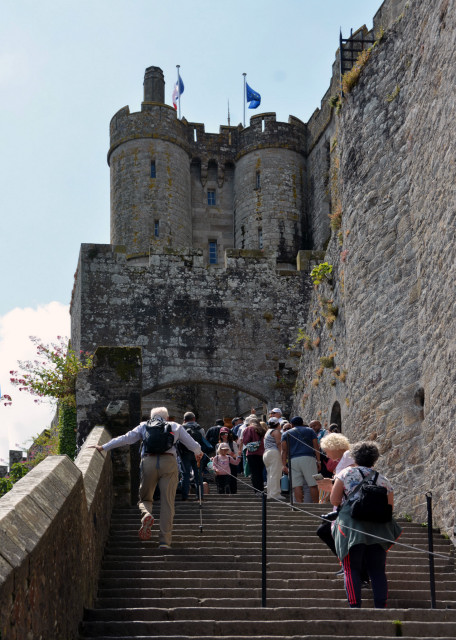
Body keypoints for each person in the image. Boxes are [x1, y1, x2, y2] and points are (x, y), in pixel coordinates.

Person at [91, 406, 202, 549]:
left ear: (151, 417)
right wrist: (198, 453)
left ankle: (146, 514)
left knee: (145, 498)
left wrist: (104, 447)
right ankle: (164, 541)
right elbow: (193, 445)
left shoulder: (144, 425)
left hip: (148, 462)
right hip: (169, 463)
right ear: (166, 418)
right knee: (167, 503)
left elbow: (126, 439)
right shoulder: (175, 426)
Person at [330, 440, 402, 609]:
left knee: (351, 569)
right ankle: (380, 608)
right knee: (377, 570)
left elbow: (334, 500)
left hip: (351, 527)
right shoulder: (384, 480)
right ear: (374, 459)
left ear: (354, 457)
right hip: (378, 530)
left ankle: (355, 608)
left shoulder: (346, 474)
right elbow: (389, 507)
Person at [314, 433, 355, 572]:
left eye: (326, 450)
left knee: (327, 531)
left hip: (347, 505)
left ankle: (351, 567)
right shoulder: (343, 459)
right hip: (342, 503)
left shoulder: (349, 456)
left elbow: (352, 479)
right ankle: (347, 565)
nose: (325, 453)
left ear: (333, 447)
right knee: (330, 532)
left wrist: (331, 483)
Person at [281, 416, 320, 503]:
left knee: (297, 485)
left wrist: (283, 465)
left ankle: (299, 506)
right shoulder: (310, 430)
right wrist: (319, 460)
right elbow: (316, 446)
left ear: (291, 424)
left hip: (293, 460)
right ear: (302, 423)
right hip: (308, 458)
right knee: (312, 484)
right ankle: (316, 505)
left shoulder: (286, 433)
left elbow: (284, 450)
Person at [178, 411, 205, 502]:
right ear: (194, 419)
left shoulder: (181, 428)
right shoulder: (200, 429)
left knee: (185, 475)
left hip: (184, 454)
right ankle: (200, 496)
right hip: (197, 454)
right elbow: (203, 441)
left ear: (184, 420)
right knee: (198, 475)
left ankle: (185, 496)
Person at [242, 417, 266, 495]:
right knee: (260, 472)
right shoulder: (262, 430)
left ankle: (257, 490)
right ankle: (261, 489)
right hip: (262, 453)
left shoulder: (249, 429)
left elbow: (245, 441)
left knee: (254, 472)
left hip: (252, 454)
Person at [263, 417, 284, 501]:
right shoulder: (276, 432)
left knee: (270, 474)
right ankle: (275, 494)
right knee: (276, 473)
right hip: (274, 452)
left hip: (266, 453)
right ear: (278, 424)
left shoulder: (267, 432)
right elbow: (279, 444)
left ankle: (270, 493)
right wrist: (282, 455)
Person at [217, 427, 240, 494]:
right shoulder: (218, 444)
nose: (224, 435)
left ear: (229, 434)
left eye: (226, 434)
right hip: (221, 464)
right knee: (221, 480)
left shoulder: (233, 443)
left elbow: (236, 455)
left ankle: (233, 493)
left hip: (231, 464)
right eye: (222, 434)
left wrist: (230, 454)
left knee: (232, 480)